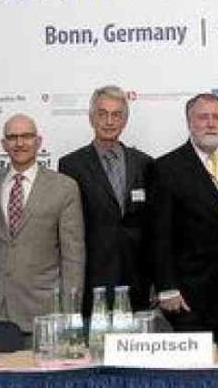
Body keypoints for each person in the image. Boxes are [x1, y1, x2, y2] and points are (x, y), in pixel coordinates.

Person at [151, 93, 218, 344]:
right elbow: (160, 234)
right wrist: (167, 287)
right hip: (189, 297)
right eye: (203, 117)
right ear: (189, 122)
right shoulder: (166, 168)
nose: (211, 123)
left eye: (217, 117)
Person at [0, 114, 84, 333]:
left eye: (26, 136)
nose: (19, 143)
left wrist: (70, 313)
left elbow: (73, 256)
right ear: (3, 144)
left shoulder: (64, 187)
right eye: (12, 137)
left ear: (39, 142)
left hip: (42, 310)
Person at [59, 86, 153, 314]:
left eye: (117, 114)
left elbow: (151, 225)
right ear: (91, 118)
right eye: (102, 114)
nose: (109, 121)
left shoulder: (145, 163)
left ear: (125, 120)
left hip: (137, 279)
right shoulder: (71, 165)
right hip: (92, 279)